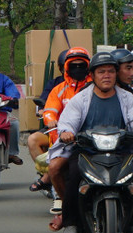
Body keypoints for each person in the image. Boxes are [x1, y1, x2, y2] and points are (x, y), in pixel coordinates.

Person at [48, 51, 133, 233]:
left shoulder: (127, 98)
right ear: (93, 75)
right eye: (101, 72)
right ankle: (71, 222)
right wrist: (66, 132)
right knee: (73, 174)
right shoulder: (80, 100)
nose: (106, 76)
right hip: (87, 153)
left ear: (116, 74)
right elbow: (68, 122)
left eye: (110, 71)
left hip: (121, 152)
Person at [27, 47, 91, 215]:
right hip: (64, 139)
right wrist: (50, 119)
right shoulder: (58, 89)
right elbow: (49, 110)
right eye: (73, 65)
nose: (78, 69)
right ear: (66, 68)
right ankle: (62, 199)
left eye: (81, 65)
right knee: (56, 167)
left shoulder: (96, 88)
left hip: (93, 138)